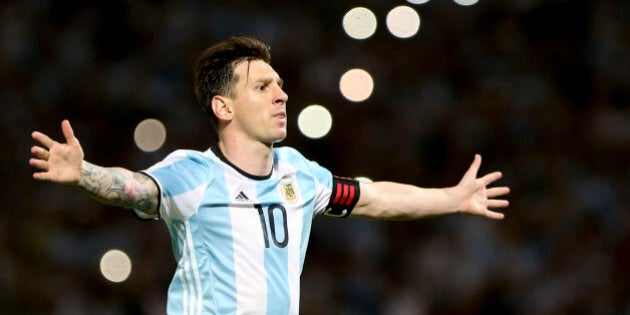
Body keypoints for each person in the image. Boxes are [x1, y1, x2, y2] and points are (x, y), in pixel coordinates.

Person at [29, 35, 510, 315]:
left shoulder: (299, 174)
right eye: (263, 86)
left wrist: (452, 198)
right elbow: (134, 187)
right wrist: (84, 172)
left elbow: (371, 197)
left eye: (280, 84)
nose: (282, 95)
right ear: (224, 106)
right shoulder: (193, 173)